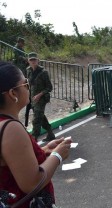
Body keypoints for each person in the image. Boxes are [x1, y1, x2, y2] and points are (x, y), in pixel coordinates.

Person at [0, 61, 72, 207]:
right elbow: (32, 183)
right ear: (13, 93)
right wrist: (57, 155)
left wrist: (44, 151)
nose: (28, 87)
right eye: (25, 84)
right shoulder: (11, 129)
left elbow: (13, 161)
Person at [27, 52, 55, 142]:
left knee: (36, 119)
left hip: (42, 99)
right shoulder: (28, 70)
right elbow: (29, 84)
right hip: (32, 98)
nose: (33, 61)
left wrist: (40, 94)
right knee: (41, 117)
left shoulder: (43, 72)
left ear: (38, 60)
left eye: (34, 59)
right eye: (31, 60)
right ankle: (50, 133)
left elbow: (49, 87)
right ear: (28, 61)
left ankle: (34, 138)